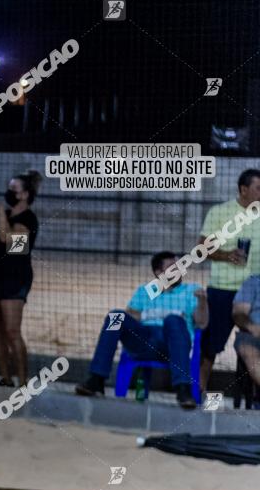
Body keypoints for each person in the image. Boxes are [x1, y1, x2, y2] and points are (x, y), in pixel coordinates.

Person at [75, 252, 208, 409]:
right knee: (115, 317)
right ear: (159, 273)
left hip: (173, 344)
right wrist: (155, 314)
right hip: (143, 340)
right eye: (173, 267)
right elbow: (130, 314)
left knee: (174, 320)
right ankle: (96, 378)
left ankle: (183, 390)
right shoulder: (148, 290)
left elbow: (202, 323)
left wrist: (202, 302)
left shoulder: (191, 290)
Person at [197, 169, 260, 391]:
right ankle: (199, 395)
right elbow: (201, 248)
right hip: (223, 289)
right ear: (243, 189)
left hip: (255, 293)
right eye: (258, 188)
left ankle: (250, 401)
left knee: (253, 342)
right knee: (210, 346)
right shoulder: (220, 212)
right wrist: (226, 254)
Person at [0, 170, 42, 387]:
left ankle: (24, 382)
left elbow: (9, 241)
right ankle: (6, 378)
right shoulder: (3, 215)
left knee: (11, 331)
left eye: (14, 189)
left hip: (15, 279)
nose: (9, 192)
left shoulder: (29, 219)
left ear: (25, 194)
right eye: (9, 188)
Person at [231, 275, 260, 389]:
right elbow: (238, 313)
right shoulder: (253, 282)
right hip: (252, 334)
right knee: (248, 350)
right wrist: (252, 327)